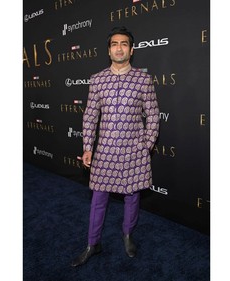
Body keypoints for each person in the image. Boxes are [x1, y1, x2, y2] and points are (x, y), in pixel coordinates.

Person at [71, 26, 160, 267]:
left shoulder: (143, 79)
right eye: (114, 44)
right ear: (109, 50)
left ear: (131, 50)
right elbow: (90, 116)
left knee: (132, 197)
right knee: (98, 198)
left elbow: (152, 115)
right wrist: (88, 146)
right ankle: (93, 243)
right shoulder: (98, 80)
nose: (119, 48)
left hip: (134, 151)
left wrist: (147, 145)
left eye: (123, 44)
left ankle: (128, 235)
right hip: (105, 151)